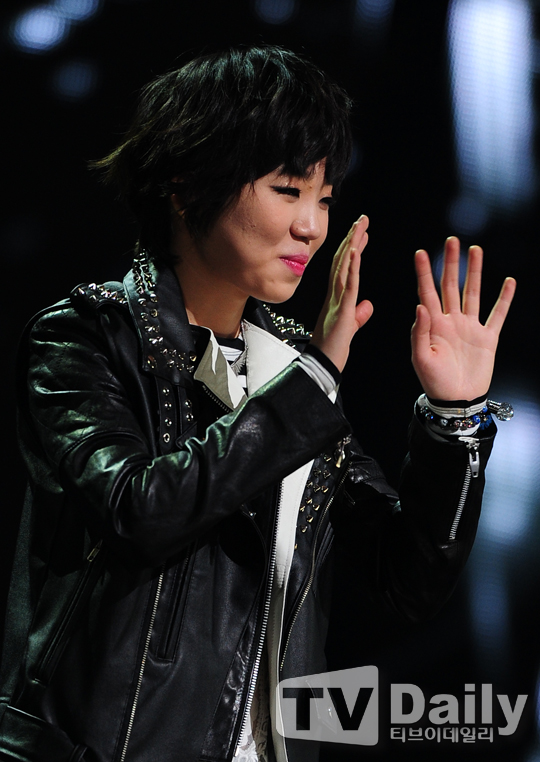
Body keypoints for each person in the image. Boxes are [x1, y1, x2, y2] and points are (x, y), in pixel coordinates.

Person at [0, 45, 515, 762]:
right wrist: (315, 378)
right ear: (185, 185)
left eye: (325, 198)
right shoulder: (85, 337)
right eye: (287, 190)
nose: (312, 226)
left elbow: (404, 582)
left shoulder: (288, 368)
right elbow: (139, 511)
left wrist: (453, 416)